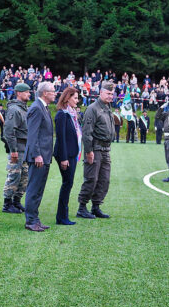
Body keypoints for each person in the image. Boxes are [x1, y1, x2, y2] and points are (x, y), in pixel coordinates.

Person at [77, 81, 115, 219]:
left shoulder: (107, 108)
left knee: (104, 180)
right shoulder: (93, 108)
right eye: (108, 93)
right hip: (95, 148)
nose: (111, 96)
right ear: (101, 93)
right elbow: (87, 132)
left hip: (105, 149)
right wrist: (89, 151)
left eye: (112, 93)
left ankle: (96, 206)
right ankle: (82, 207)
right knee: (91, 179)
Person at [24, 82, 56, 231]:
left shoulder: (43, 107)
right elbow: (32, 134)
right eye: (53, 91)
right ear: (44, 93)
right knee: (34, 189)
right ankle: (31, 221)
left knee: (39, 190)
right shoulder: (36, 108)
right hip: (38, 157)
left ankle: (35, 219)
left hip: (44, 156)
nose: (55, 94)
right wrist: (37, 154)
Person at [54, 87, 82, 225]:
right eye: (75, 98)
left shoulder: (71, 114)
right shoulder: (62, 114)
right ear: (67, 98)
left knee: (68, 184)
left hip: (72, 154)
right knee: (67, 184)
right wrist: (64, 158)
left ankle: (63, 215)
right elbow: (61, 138)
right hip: (65, 155)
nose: (78, 100)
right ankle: (61, 217)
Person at [2, 83, 31, 214]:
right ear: (19, 93)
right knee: (14, 175)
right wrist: (13, 150)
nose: (29, 94)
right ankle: (7, 203)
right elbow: (9, 131)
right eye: (26, 92)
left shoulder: (25, 109)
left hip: (25, 149)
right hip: (17, 149)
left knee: (24, 177)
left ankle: (16, 201)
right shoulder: (14, 109)